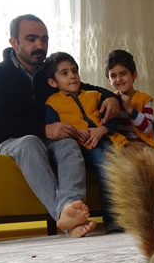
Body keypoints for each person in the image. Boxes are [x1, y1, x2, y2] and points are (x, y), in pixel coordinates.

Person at [0, 14, 121, 237]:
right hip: (12, 142)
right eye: (31, 39)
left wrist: (113, 98)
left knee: (69, 145)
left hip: (48, 141)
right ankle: (64, 216)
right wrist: (43, 129)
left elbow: (85, 88)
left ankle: (71, 213)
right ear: (13, 42)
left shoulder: (49, 74)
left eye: (44, 39)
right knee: (30, 142)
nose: (40, 45)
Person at [44, 52, 127, 233]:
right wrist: (74, 133)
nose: (72, 76)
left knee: (125, 165)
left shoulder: (94, 95)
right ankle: (113, 220)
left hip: (105, 139)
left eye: (74, 71)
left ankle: (135, 216)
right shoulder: (52, 103)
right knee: (107, 166)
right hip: (83, 146)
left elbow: (111, 118)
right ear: (53, 82)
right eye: (64, 73)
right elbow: (53, 130)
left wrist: (102, 129)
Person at [105, 49, 154, 151]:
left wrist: (131, 110)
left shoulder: (145, 99)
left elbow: (147, 128)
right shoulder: (111, 100)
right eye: (113, 76)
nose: (118, 79)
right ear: (109, 80)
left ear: (134, 75)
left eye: (123, 74)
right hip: (121, 147)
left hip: (143, 146)